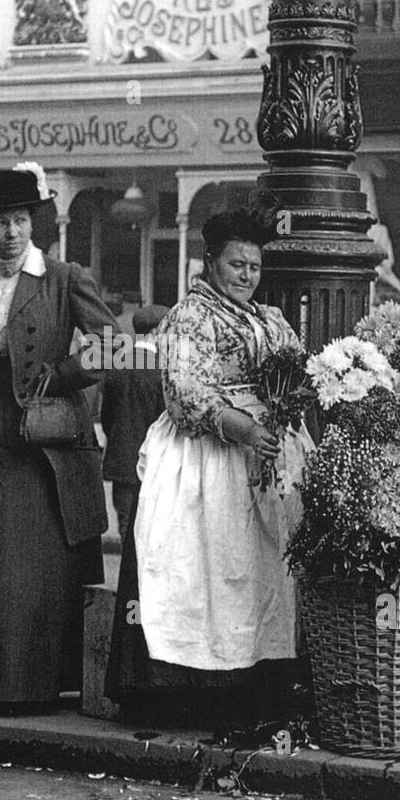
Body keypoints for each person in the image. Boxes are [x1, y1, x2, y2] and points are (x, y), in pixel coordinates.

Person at [106, 207, 314, 727]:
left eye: (254, 267)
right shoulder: (190, 317)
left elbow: (299, 372)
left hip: (272, 452)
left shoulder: (270, 319)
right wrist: (244, 428)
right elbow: (184, 391)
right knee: (207, 564)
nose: (247, 276)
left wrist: (286, 408)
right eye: (236, 264)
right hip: (210, 453)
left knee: (268, 567)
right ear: (210, 262)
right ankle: (197, 692)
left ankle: (264, 681)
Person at [0, 164, 116, 714]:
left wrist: (62, 375)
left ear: (32, 222)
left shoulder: (64, 278)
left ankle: (28, 688)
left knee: (29, 564)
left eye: (19, 221)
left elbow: (111, 345)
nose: (11, 232)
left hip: (40, 446)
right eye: (0, 222)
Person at [101, 304, 167, 543]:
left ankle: (125, 582)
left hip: (121, 460)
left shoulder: (117, 364)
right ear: (156, 331)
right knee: (150, 533)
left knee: (126, 526)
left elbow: (107, 416)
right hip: (154, 463)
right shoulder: (162, 369)